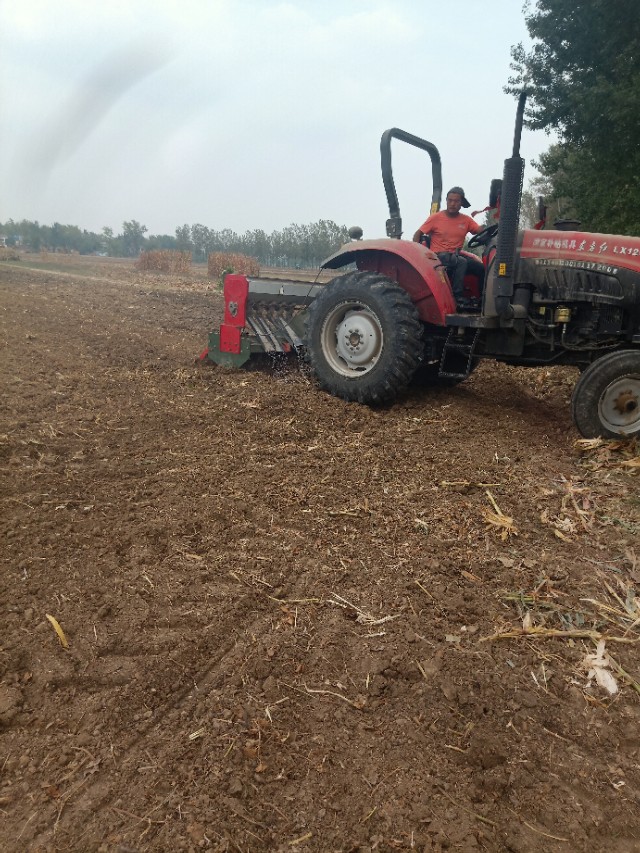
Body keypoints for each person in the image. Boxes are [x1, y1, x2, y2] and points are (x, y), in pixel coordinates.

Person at [412, 186, 485, 302]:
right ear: (446, 201)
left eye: (456, 201)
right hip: (438, 256)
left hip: (455, 255)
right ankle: (457, 297)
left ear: (461, 203)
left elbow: (481, 231)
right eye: (450, 200)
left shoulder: (466, 220)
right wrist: (417, 255)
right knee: (461, 262)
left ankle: (483, 299)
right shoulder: (436, 218)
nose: (452, 204)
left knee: (481, 268)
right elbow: (418, 234)